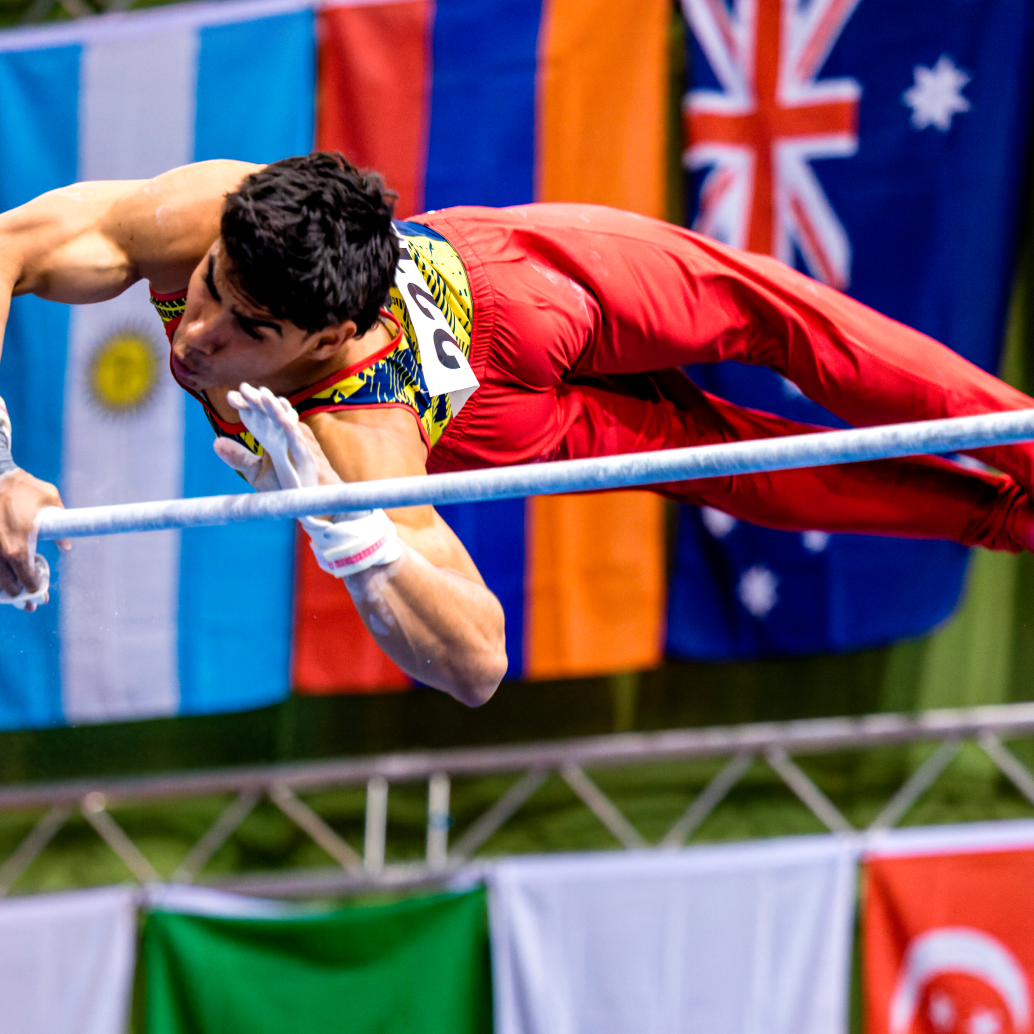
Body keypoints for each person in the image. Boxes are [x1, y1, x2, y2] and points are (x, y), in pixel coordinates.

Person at [1, 152, 1032, 704]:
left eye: (252, 330)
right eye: (214, 290)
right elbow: (10, 244)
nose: (201, 339)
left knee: (783, 322)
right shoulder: (208, 216)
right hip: (508, 412)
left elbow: (479, 660)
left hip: (531, 282)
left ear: (331, 338)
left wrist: (347, 531)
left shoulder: (362, 430)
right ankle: (1010, 517)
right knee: (736, 467)